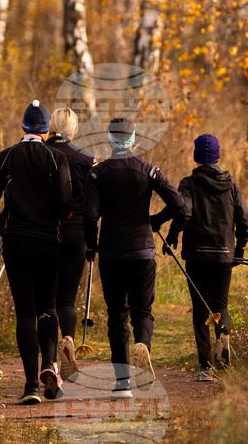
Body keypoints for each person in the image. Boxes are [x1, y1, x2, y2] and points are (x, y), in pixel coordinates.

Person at [0, 100, 73, 404]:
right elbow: (65, 205)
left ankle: (32, 385)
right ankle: (50, 364)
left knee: (25, 313)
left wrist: (1, 224)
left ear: (24, 128)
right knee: (48, 307)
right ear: (46, 131)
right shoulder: (57, 158)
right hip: (48, 242)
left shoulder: (5, 157)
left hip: (16, 242)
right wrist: (61, 217)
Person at [84, 117, 183, 398]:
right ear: (133, 138)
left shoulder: (97, 174)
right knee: (142, 311)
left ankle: (122, 383)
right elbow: (178, 202)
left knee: (117, 315)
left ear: (109, 139)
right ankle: (143, 348)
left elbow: (90, 214)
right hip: (142, 251)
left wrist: (91, 246)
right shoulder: (148, 170)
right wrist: (155, 220)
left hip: (112, 253)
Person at [163, 133, 248, 382]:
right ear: (217, 156)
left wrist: (172, 236)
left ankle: (206, 367)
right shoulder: (231, 185)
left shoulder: (188, 184)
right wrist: (240, 249)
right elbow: (245, 219)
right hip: (224, 255)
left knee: (200, 308)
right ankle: (223, 336)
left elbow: (184, 213)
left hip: (197, 256)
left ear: (196, 157)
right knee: (220, 305)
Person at [45, 107, 96, 382]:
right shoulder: (87, 159)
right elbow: (94, 203)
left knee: (47, 301)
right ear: (73, 129)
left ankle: (51, 363)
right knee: (67, 299)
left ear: (51, 126)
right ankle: (68, 339)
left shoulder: (41, 154)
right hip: (77, 232)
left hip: (45, 232)